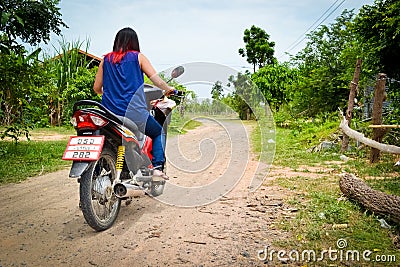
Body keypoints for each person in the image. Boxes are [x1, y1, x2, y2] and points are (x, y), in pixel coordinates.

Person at [93, 27, 174, 180]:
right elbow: (155, 79)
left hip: (108, 113)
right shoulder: (138, 57)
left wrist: (111, 93)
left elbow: (97, 88)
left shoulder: (105, 60)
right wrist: (168, 89)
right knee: (158, 132)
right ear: (134, 42)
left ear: (116, 41)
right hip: (134, 113)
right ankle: (157, 168)